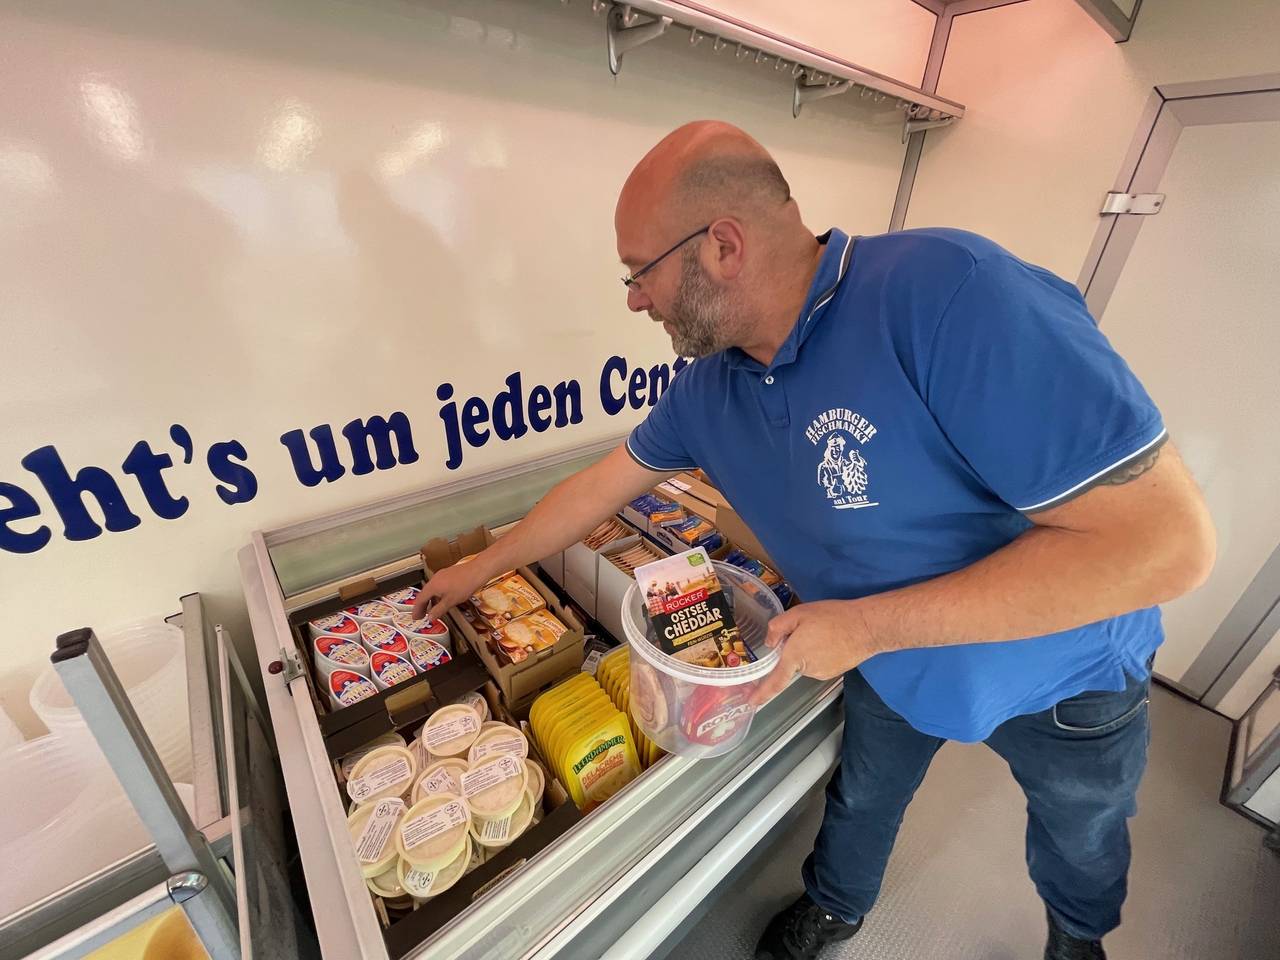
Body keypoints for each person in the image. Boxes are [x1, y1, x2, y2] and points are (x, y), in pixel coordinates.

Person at [414, 121, 1216, 960]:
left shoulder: (951, 295)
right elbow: (597, 489)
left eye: (639, 272)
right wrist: (482, 566)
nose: (634, 300)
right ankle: (836, 904)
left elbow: (1167, 544)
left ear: (723, 246)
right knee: (862, 798)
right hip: (890, 663)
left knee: (1081, 831)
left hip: (1063, 671)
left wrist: (866, 626)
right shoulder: (708, 389)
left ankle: (1078, 937)